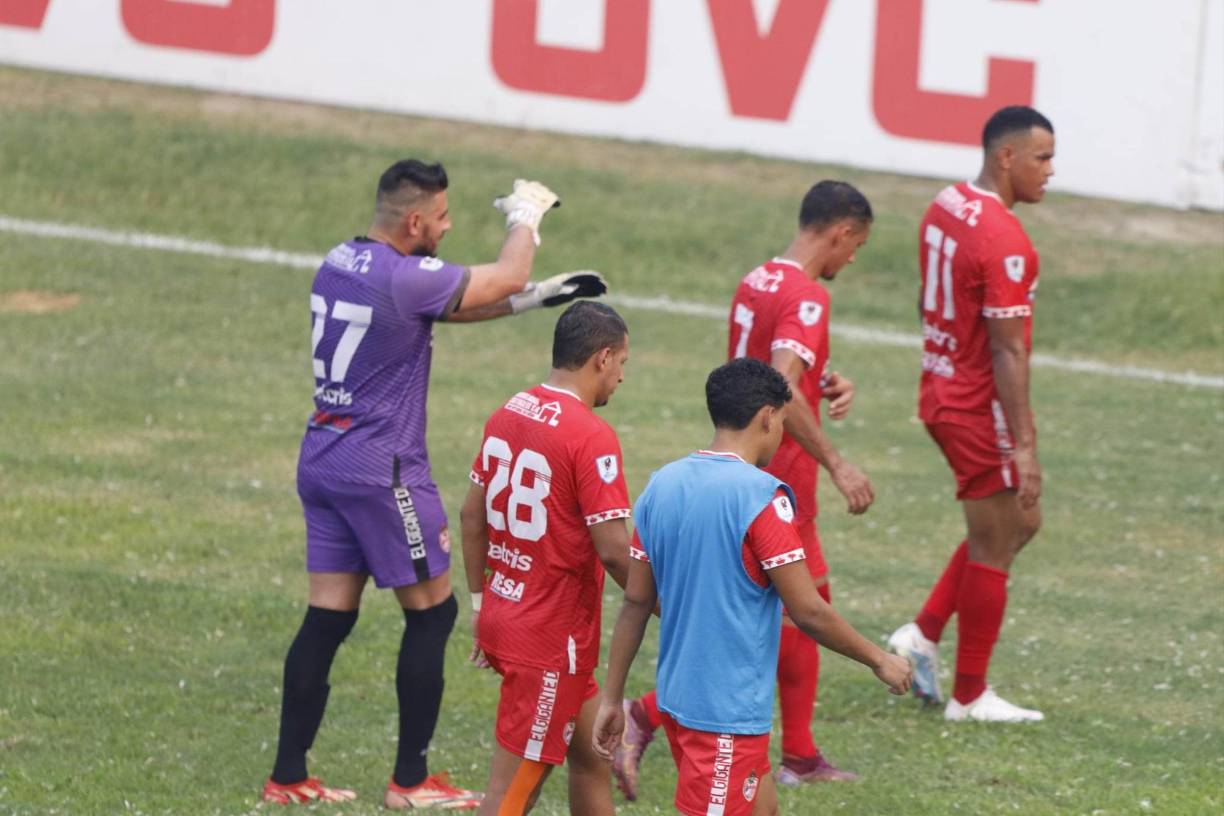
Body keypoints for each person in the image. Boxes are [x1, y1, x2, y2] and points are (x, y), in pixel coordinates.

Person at [262, 160, 607, 808]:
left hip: (326, 458)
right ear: (415, 220)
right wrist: (526, 214)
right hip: (382, 468)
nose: (447, 228)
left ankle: (287, 777)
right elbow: (506, 271)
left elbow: (439, 310)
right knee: (434, 612)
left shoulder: (342, 259)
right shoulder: (404, 274)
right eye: (444, 218)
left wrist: (532, 301)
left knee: (327, 619)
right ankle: (411, 782)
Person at [613, 180, 876, 794]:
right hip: (772, 478)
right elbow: (778, 384)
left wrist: (821, 379)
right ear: (839, 232)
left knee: (808, 601)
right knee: (801, 609)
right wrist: (837, 462)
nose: (853, 259)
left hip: (742, 466)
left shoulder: (758, 280)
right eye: (856, 245)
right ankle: (652, 714)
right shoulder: (807, 296)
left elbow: (761, 369)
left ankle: (799, 752)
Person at [592, 358, 911, 816]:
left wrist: (612, 698)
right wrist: (880, 660)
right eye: (782, 422)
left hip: (682, 703)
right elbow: (809, 611)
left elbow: (636, 601)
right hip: (724, 718)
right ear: (767, 416)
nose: (781, 434)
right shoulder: (761, 498)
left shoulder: (662, 484)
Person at [887, 105, 1054, 723]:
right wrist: (1025, 445)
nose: (1051, 171)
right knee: (998, 536)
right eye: (1042, 157)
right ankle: (969, 695)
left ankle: (923, 635)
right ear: (1005, 156)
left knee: (1019, 523)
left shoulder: (947, 204)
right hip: (974, 402)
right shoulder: (1006, 240)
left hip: (942, 385)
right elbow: (1008, 350)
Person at [461, 301, 632, 815]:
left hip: (506, 613)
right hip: (549, 642)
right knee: (512, 795)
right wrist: (664, 604)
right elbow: (614, 551)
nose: (622, 378)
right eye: (623, 363)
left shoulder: (508, 411)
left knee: (591, 755)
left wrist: (477, 602)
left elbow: (472, 517)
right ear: (602, 358)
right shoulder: (590, 435)